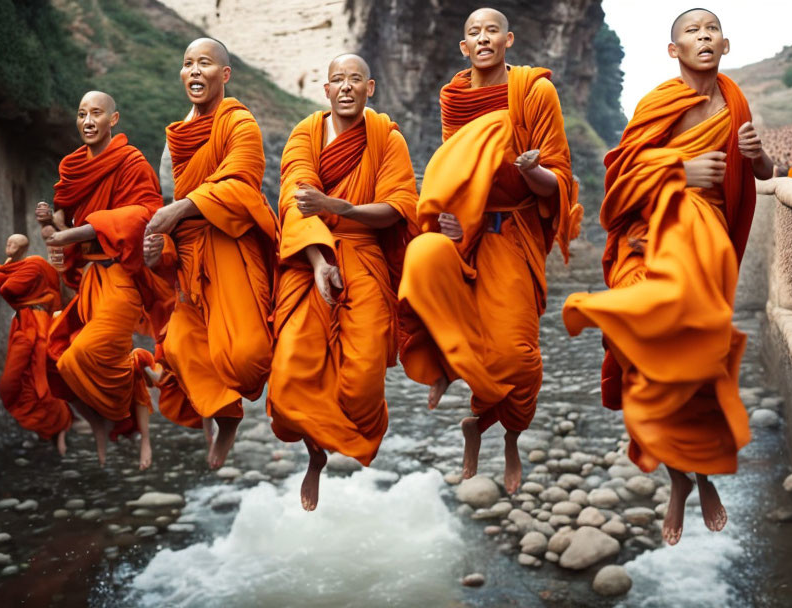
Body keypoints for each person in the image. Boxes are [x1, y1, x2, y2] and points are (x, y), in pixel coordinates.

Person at [562, 8, 774, 545]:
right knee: (643, 355)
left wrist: (759, 155)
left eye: (710, 31)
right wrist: (677, 171)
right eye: (691, 32)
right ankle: (678, 480)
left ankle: (700, 475)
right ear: (672, 49)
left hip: (705, 247)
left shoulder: (737, 103)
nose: (702, 37)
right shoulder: (656, 103)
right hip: (648, 243)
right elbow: (621, 180)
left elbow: (762, 176)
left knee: (700, 363)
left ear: (725, 45)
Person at [397, 7, 582, 494]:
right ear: (464, 46)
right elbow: (452, 166)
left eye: (491, 31)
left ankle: (500, 435)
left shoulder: (535, 92)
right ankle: (445, 361)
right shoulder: (453, 97)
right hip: (467, 233)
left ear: (508, 39)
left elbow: (558, 179)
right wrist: (450, 217)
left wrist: (530, 173)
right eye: (473, 32)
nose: (482, 38)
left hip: (512, 233)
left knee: (518, 357)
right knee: (421, 259)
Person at [269, 54, 418, 510]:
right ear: (327, 90)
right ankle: (315, 455)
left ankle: (341, 435)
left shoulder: (387, 140)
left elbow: (398, 206)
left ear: (370, 88)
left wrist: (342, 208)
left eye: (356, 79)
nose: (347, 87)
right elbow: (297, 199)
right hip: (309, 255)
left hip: (364, 253)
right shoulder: (305, 134)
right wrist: (317, 261)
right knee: (292, 370)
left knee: (364, 382)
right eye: (338, 80)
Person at [143, 38, 278, 469]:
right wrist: (157, 247)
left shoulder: (241, 124)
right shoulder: (176, 138)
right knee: (180, 344)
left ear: (225, 74)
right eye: (188, 64)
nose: (195, 71)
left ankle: (289, 389)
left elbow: (241, 184)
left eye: (205, 63)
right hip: (189, 255)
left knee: (248, 356)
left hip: (229, 241)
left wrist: (180, 208)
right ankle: (227, 416)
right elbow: (167, 203)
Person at [38, 91, 172, 469]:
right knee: (59, 363)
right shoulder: (73, 167)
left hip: (121, 277)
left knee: (86, 354)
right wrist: (51, 222)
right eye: (82, 114)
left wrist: (74, 234)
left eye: (96, 113)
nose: (88, 121)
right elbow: (65, 221)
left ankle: (137, 395)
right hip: (91, 281)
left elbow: (145, 214)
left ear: (113, 119)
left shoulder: (131, 162)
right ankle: (103, 421)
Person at [0, 236, 72, 454]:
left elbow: (8, 288)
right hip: (22, 323)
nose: (9, 246)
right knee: (20, 381)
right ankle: (49, 428)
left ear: (24, 247)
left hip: (37, 325)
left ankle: (60, 426)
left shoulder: (35, 264)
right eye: (8, 243)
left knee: (39, 378)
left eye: (13, 244)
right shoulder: (11, 266)